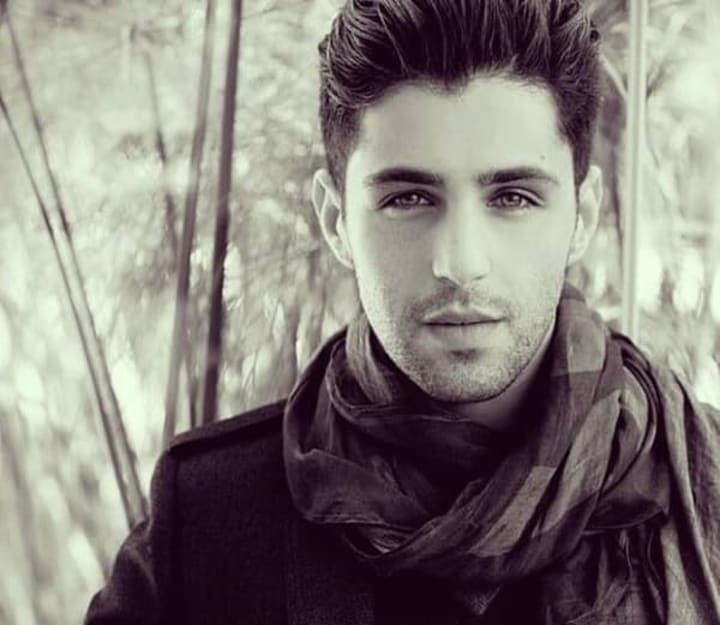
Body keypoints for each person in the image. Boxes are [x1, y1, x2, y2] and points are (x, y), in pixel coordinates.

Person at [85, 0, 720, 623]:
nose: (460, 262)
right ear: (335, 219)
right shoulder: (207, 519)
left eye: (514, 197)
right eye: (409, 198)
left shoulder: (703, 479)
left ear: (584, 216)